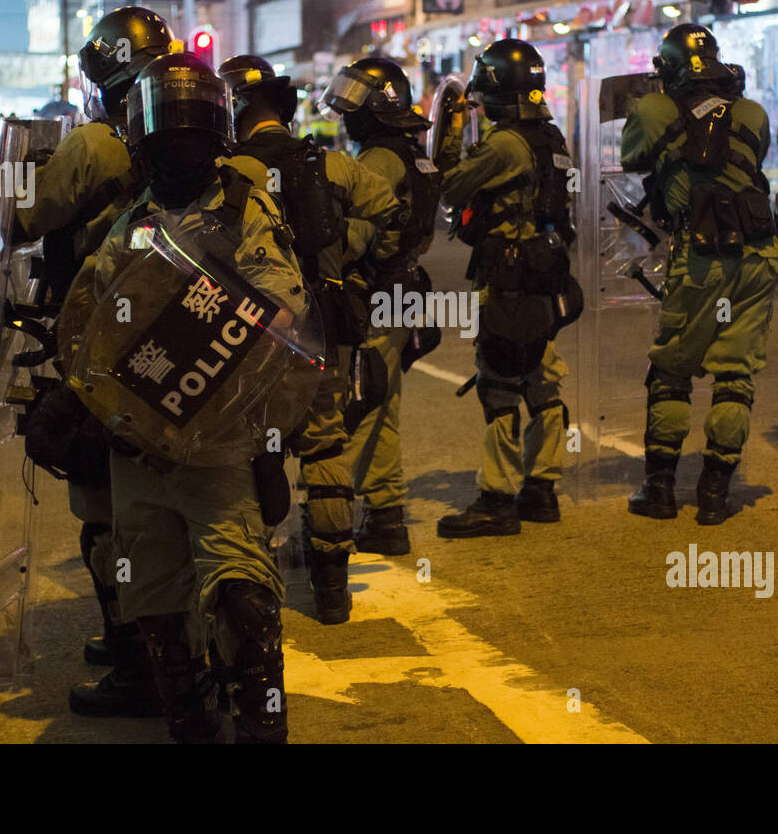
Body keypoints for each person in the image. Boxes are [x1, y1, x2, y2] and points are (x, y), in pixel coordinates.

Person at [59, 52, 308, 743]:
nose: (179, 146)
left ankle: (260, 720)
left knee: (243, 598)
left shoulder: (243, 208)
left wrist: (202, 336)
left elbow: (284, 304)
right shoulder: (127, 224)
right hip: (137, 445)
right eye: (168, 133)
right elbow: (86, 327)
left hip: (217, 441)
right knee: (157, 608)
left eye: (190, 132)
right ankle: (191, 720)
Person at [19, 5, 174, 718]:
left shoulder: (92, 145)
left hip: (98, 346)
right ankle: (165, 645)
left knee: (104, 509)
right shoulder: (185, 140)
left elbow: (25, 218)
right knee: (163, 502)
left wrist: (23, 176)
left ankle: (138, 659)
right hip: (170, 345)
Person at [219, 53, 403, 623]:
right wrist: (338, 249)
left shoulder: (229, 171)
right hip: (322, 328)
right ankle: (331, 590)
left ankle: (253, 592)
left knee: (249, 453)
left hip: (255, 333)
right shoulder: (326, 162)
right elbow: (390, 211)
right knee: (325, 447)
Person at [620, 24, 778, 524]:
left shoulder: (651, 110)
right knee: (735, 373)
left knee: (671, 370)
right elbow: (754, 156)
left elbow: (630, 158)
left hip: (701, 256)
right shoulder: (752, 112)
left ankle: (661, 489)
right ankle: (714, 494)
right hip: (759, 254)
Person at [436, 38, 578, 536]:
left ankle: (497, 498)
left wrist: (449, 132)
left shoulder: (503, 144)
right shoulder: (550, 137)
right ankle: (541, 489)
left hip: (508, 277)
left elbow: (448, 184)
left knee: (498, 382)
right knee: (543, 378)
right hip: (545, 274)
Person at [321, 56, 441, 555]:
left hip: (374, 295)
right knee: (382, 404)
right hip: (403, 290)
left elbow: (355, 237)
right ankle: (387, 516)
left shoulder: (376, 162)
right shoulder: (412, 154)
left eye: (355, 105)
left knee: (354, 406)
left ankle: (335, 521)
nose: (347, 117)